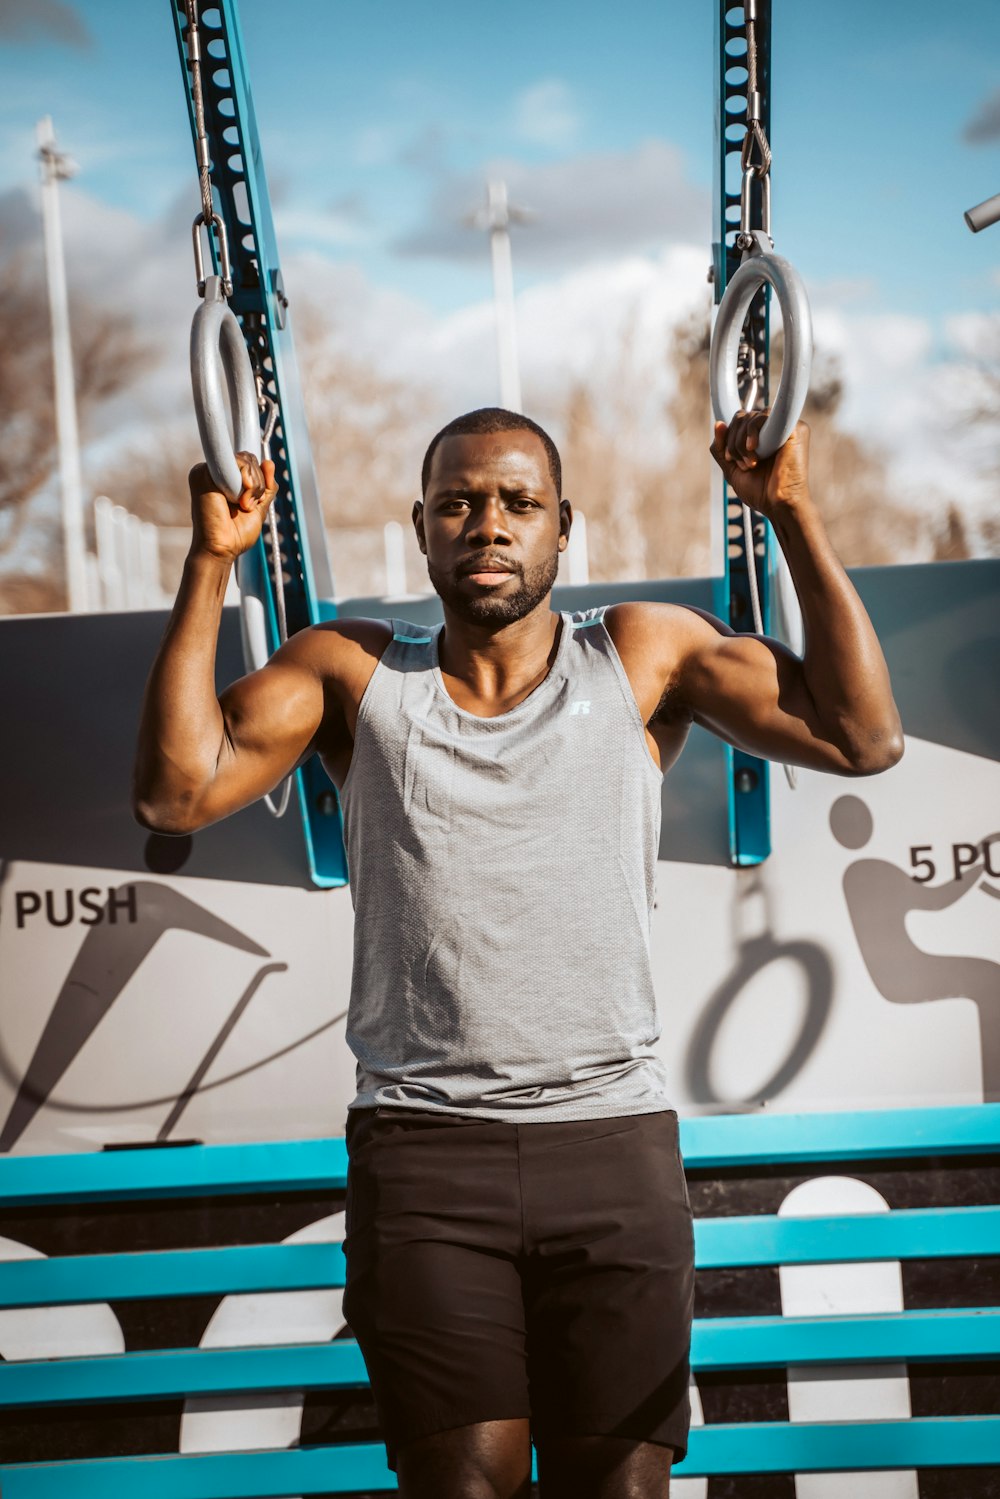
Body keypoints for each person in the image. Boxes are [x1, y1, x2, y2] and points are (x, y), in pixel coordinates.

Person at [133, 405, 903, 1498]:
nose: (487, 522)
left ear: (561, 527)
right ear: (422, 527)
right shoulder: (352, 672)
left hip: (612, 1150)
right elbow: (174, 787)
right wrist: (212, 563)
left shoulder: (640, 651)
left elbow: (861, 736)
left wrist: (791, 511)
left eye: (516, 502)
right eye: (459, 501)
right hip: (426, 1158)